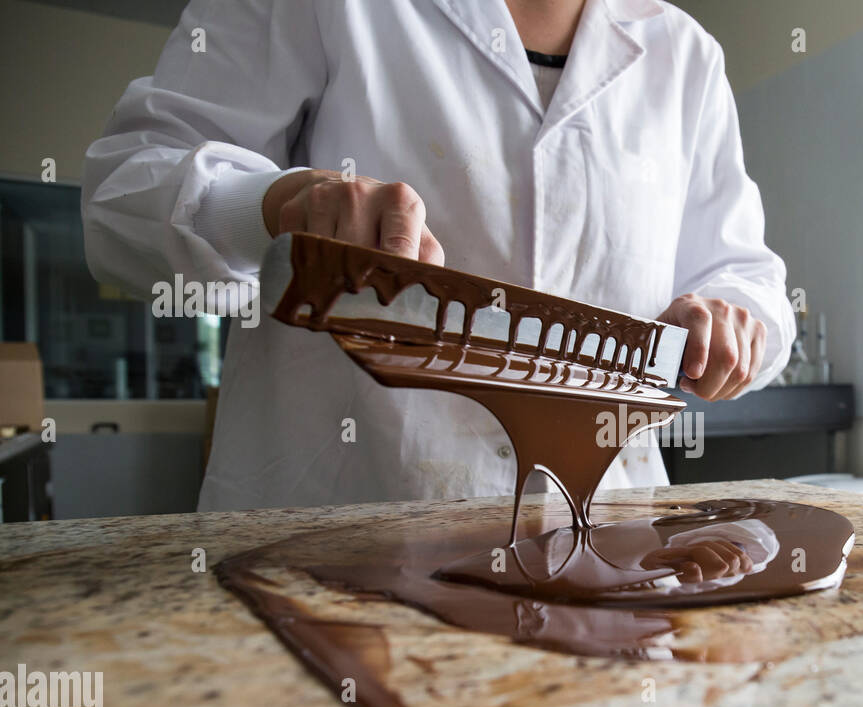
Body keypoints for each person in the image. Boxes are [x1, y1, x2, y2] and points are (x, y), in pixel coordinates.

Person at [82, 0, 795, 511]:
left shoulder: (685, 56)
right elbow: (124, 191)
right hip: (338, 534)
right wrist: (276, 204)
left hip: (606, 539)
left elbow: (746, 275)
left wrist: (735, 320)